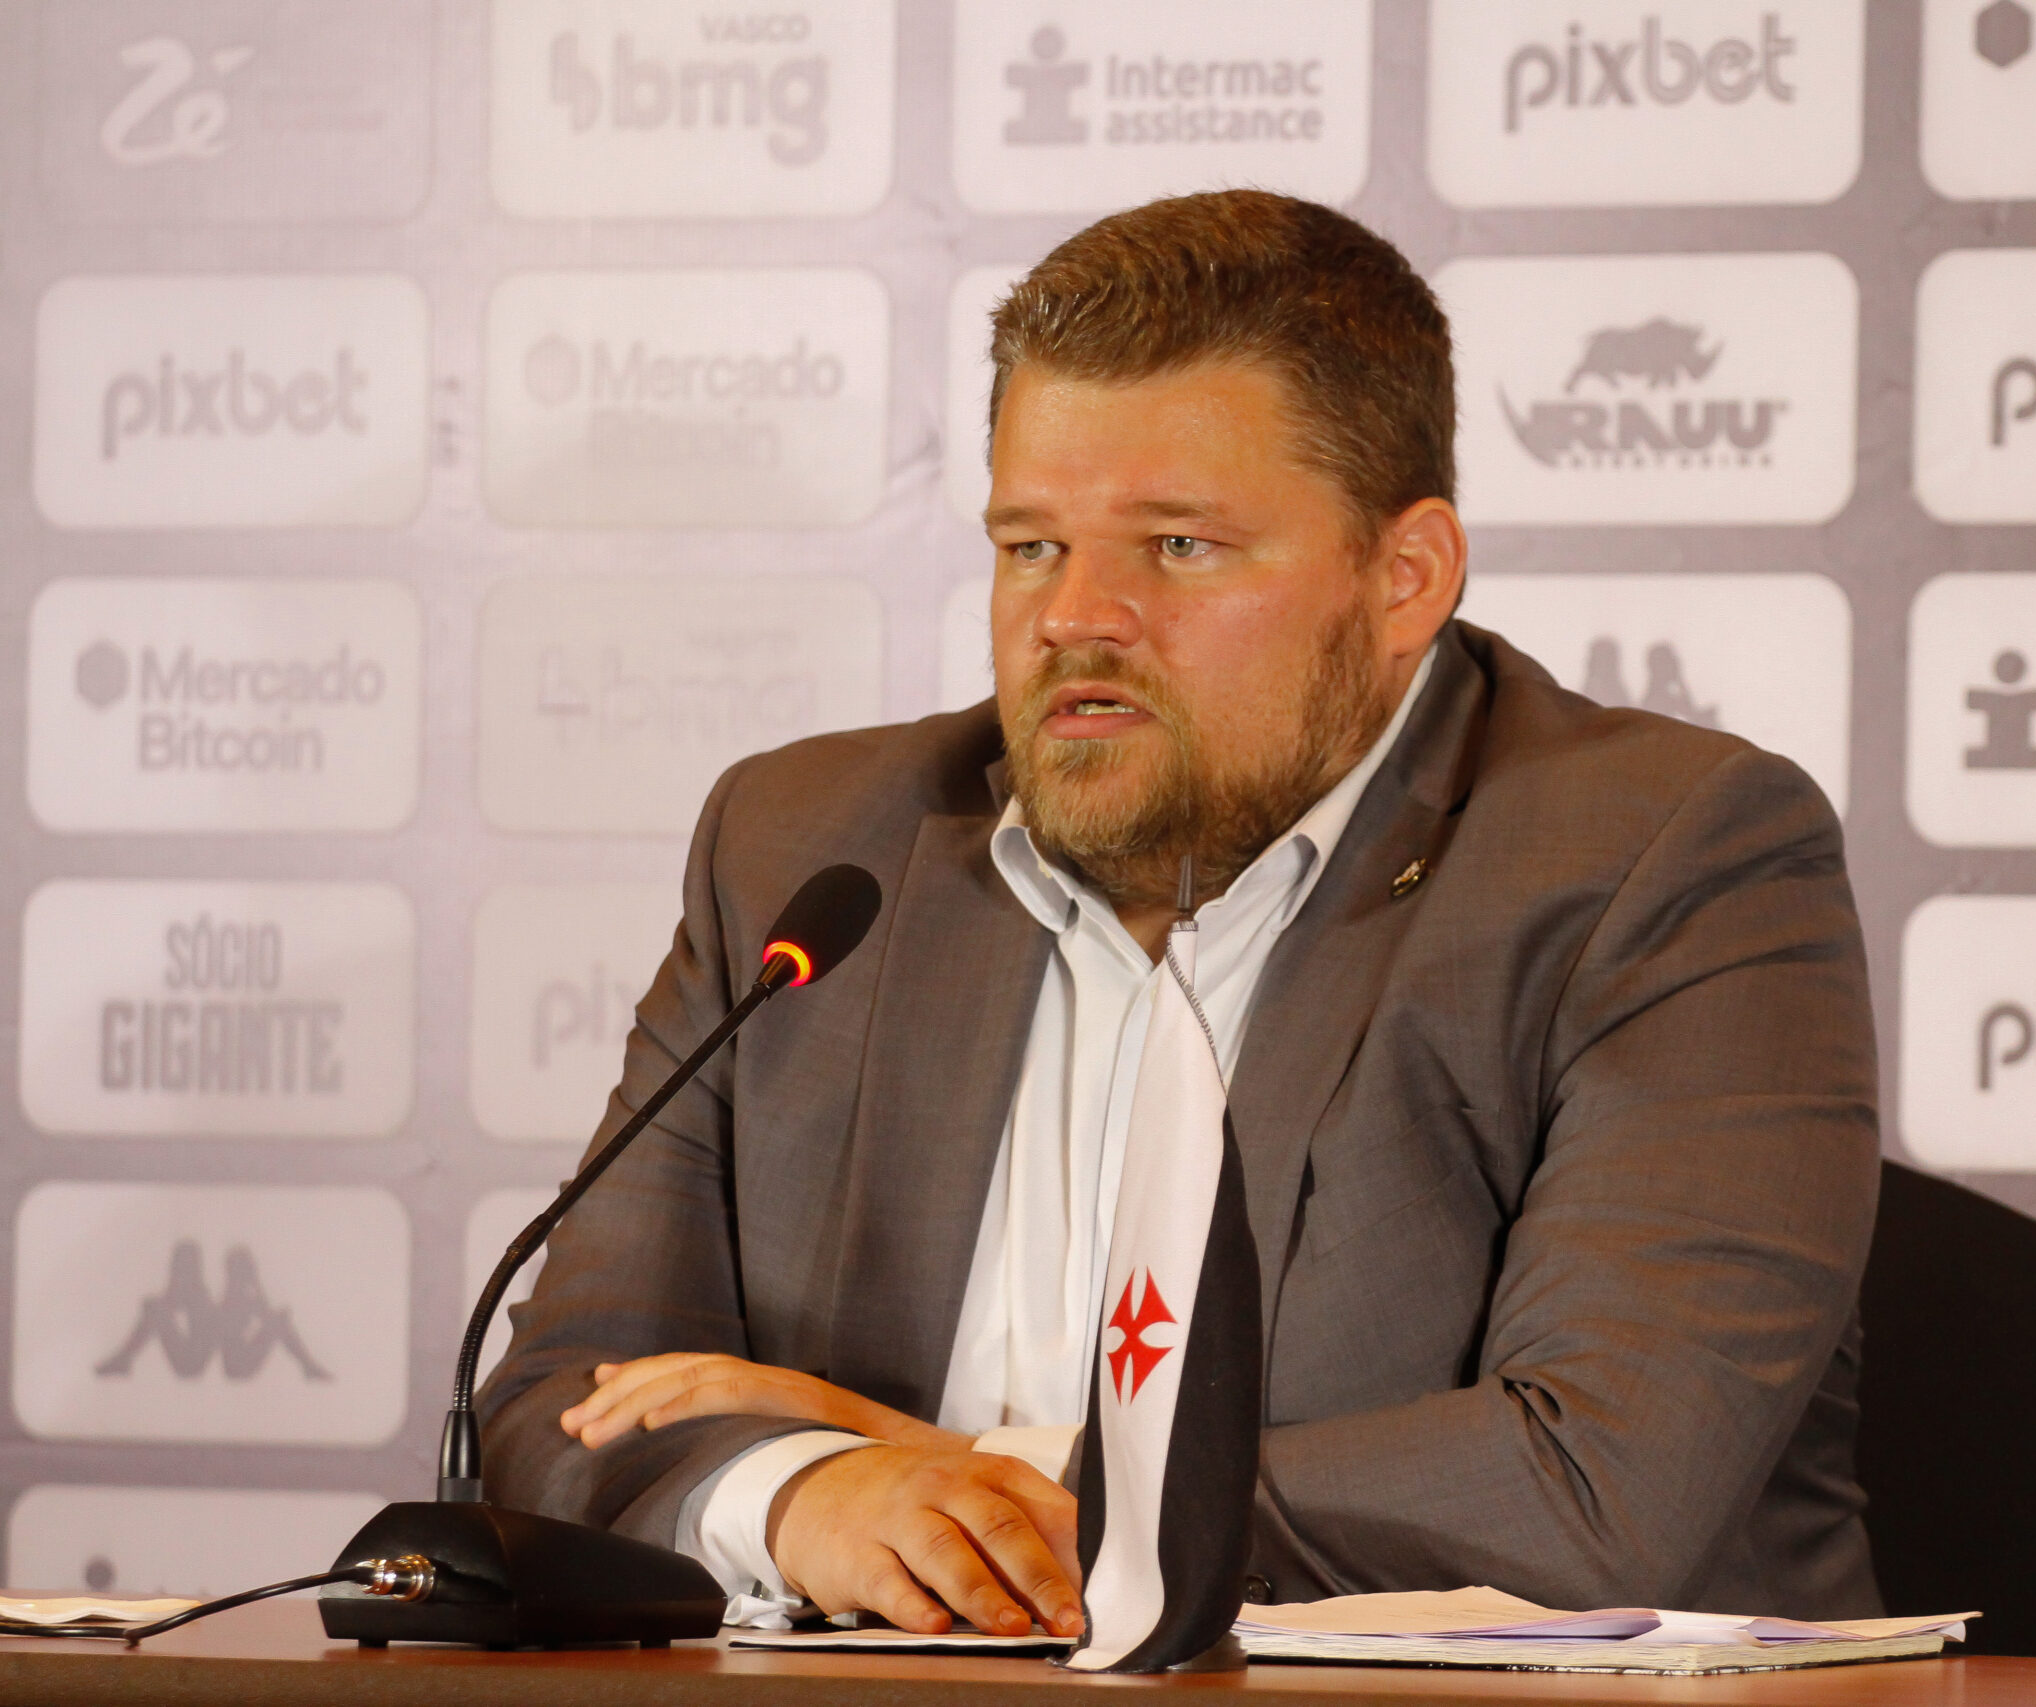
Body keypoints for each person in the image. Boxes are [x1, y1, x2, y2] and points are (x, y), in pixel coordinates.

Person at [479, 190, 1882, 1642]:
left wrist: (975, 1479)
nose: (1075, 617)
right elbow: (558, 1410)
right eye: (1031, 545)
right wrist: (800, 1498)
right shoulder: (811, 850)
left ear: (1405, 579)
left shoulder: (1661, 859)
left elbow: (1595, 1491)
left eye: (1178, 546)